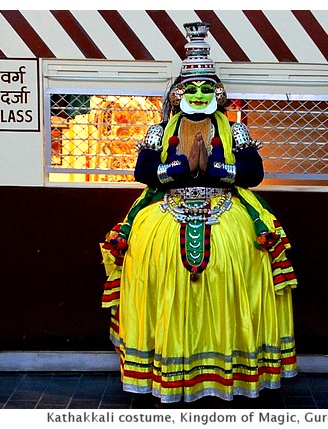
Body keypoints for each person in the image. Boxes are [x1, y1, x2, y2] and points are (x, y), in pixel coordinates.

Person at [101, 22, 298, 405]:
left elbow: (254, 174)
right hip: (165, 213)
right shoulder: (159, 132)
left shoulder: (236, 132)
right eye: (191, 88)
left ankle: (229, 365)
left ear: (218, 95)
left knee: (235, 280)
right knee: (157, 282)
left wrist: (213, 170)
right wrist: (179, 169)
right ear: (177, 95)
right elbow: (142, 172)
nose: (198, 94)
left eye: (207, 89)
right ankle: (169, 362)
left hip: (228, 214)